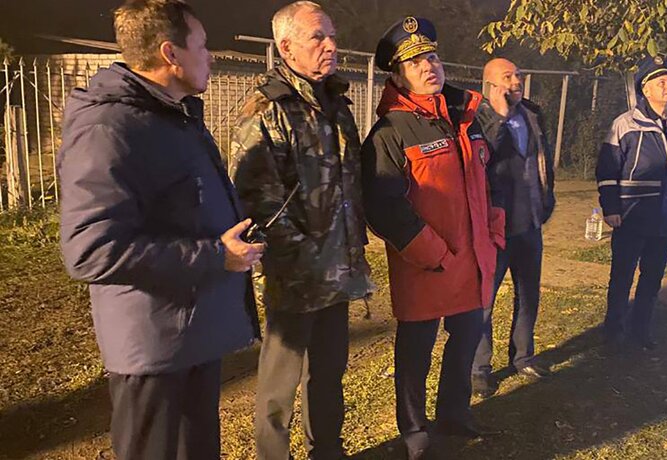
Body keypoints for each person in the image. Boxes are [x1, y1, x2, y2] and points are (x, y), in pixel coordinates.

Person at [57, 1, 263, 458]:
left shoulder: (174, 116)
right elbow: (90, 248)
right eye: (202, 46)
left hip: (190, 337)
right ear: (171, 53)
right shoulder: (108, 127)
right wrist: (217, 256)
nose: (211, 56)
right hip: (153, 349)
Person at [230, 2, 374, 459]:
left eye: (332, 35)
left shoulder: (336, 103)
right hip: (293, 277)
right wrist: (304, 261)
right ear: (286, 47)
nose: (330, 45)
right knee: (279, 386)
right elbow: (258, 202)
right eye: (317, 36)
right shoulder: (266, 109)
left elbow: (349, 184)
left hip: (339, 267)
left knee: (329, 374)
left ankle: (327, 450)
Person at [360, 16, 505, 460]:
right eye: (416, 62)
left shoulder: (466, 117)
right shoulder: (390, 132)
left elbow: (488, 181)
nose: (429, 66)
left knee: (465, 341)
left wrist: (494, 233)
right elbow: (383, 206)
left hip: (472, 259)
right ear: (398, 75)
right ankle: (414, 430)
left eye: (433, 57)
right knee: (416, 352)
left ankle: (454, 414)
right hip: (426, 264)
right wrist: (433, 253)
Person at [595, 55, 667, 351]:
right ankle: (613, 334)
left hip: (666, 216)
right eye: (661, 82)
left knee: (652, 279)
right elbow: (608, 169)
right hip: (632, 215)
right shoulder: (625, 124)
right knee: (621, 278)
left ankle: (640, 332)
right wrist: (611, 208)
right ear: (646, 89)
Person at [471, 57, 556, 398]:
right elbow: (481, 159)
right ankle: (479, 369)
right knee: (484, 301)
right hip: (494, 227)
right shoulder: (476, 120)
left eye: (518, 75)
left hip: (529, 223)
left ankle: (523, 357)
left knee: (529, 295)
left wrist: (547, 201)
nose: (516, 81)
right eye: (508, 77)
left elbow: (543, 159)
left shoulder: (532, 115)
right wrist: (500, 118)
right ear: (490, 85)